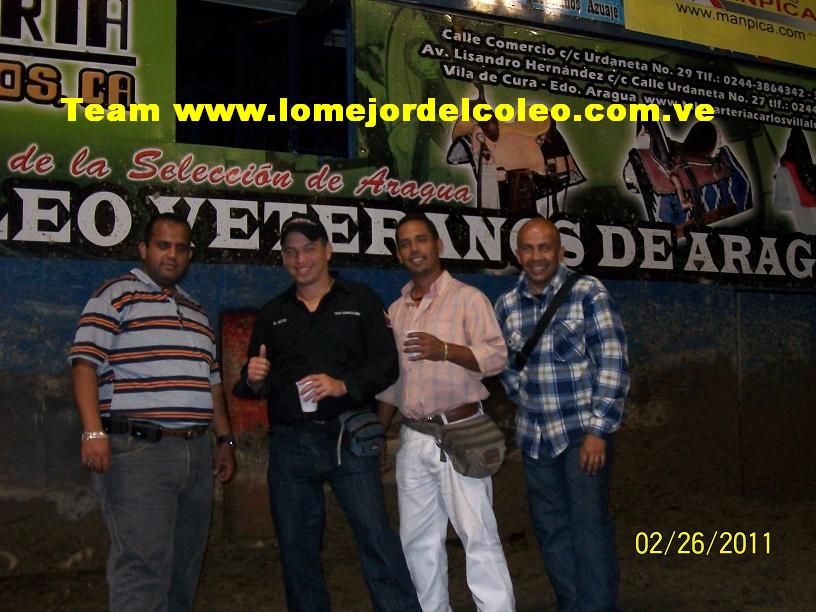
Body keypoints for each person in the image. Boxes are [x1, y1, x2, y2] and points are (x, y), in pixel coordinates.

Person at [233, 213, 420, 612]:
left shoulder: (360, 301)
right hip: (290, 444)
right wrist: (252, 378)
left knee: (376, 538)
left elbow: (387, 365)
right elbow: (253, 384)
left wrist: (343, 385)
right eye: (291, 252)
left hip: (348, 439)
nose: (300, 259)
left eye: (309, 249)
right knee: (296, 548)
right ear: (283, 259)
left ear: (327, 251)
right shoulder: (272, 312)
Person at [69, 212, 236, 611]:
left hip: (195, 453)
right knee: (142, 566)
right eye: (163, 245)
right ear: (143, 249)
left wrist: (224, 441)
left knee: (185, 565)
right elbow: (84, 364)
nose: (171, 254)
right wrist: (93, 432)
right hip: (139, 452)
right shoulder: (115, 294)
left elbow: (212, 383)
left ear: (189, 255)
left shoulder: (196, 312)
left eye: (180, 247)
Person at [377, 212, 515, 612]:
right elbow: (393, 381)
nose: (414, 249)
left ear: (437, 245)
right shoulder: (396, 311)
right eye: (405, 243)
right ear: (399, 254)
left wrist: (445, 350)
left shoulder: (468, 299)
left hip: (461, 429)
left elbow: (497, 357)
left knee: (478, 535)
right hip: (413, 437)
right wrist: (379, 432)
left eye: (421, 239)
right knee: (417, 542)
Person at [494, 218, 629, 611]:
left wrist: (598, 431)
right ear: (518, 255)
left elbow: (613, 362)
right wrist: (529, 399)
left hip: (581, 435)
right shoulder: (507, 305)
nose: (537, 256)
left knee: (589, 527)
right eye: (528, 248)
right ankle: (573, 605)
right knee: (550, 529)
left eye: (545, 247)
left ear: (560, 251)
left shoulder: (587, 293)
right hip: (535, 439)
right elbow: (506, 367)